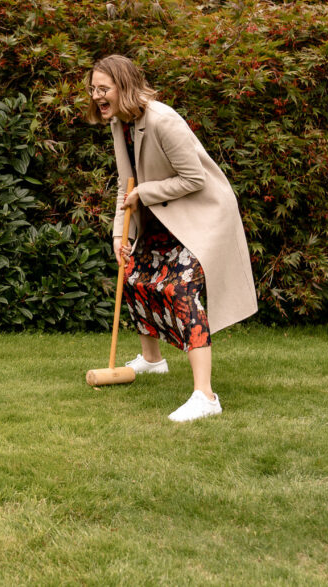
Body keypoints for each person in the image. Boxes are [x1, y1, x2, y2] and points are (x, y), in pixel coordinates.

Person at [86, 54, 257, 421]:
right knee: (133, 274)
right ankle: (152, 360)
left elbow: (193, 179)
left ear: (124, 87)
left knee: (180, 290)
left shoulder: (163, 120)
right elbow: (125, 184)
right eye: (93, 88)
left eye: (103, 88)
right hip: (165, 214)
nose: (96, 95)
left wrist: (144, 194)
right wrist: (120, 235)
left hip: (202, 215)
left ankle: (206, 397)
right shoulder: (121, 123)